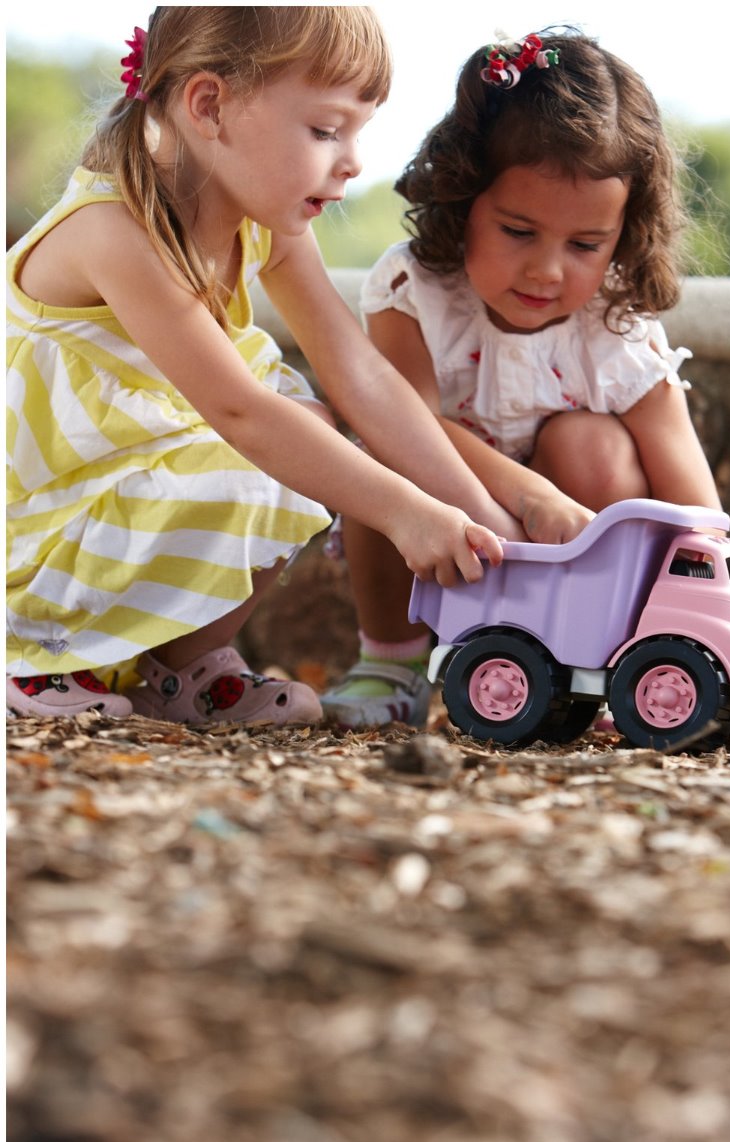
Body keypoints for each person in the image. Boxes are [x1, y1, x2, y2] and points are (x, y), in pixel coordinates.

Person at [6, 5, 534, 725]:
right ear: (209, 105)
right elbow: (239, 413)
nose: (351, 162)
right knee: (278, 440)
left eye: (358, 132)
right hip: (41, 518)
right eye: (324, 130)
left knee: (308, 427)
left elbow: (361, 373)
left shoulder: (261, 220)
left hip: (126, 482)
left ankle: (176, 670)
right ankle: (35, 650)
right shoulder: (114, 229)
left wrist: (480, 516)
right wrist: (403, 514)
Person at [321, 28, 722, 730]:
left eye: (584, 245)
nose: (546, 270)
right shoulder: (414, 290)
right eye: (516, 231)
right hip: (439, 533)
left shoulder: (615, 327)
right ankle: (391, 661)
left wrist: (712, 625)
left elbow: (693, 503)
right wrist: (526, 497)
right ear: (461, 195)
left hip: (576, 577)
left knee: (592, 445)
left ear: (624, 235)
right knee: (379, 452)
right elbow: (399, 420)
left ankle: (591, 663)